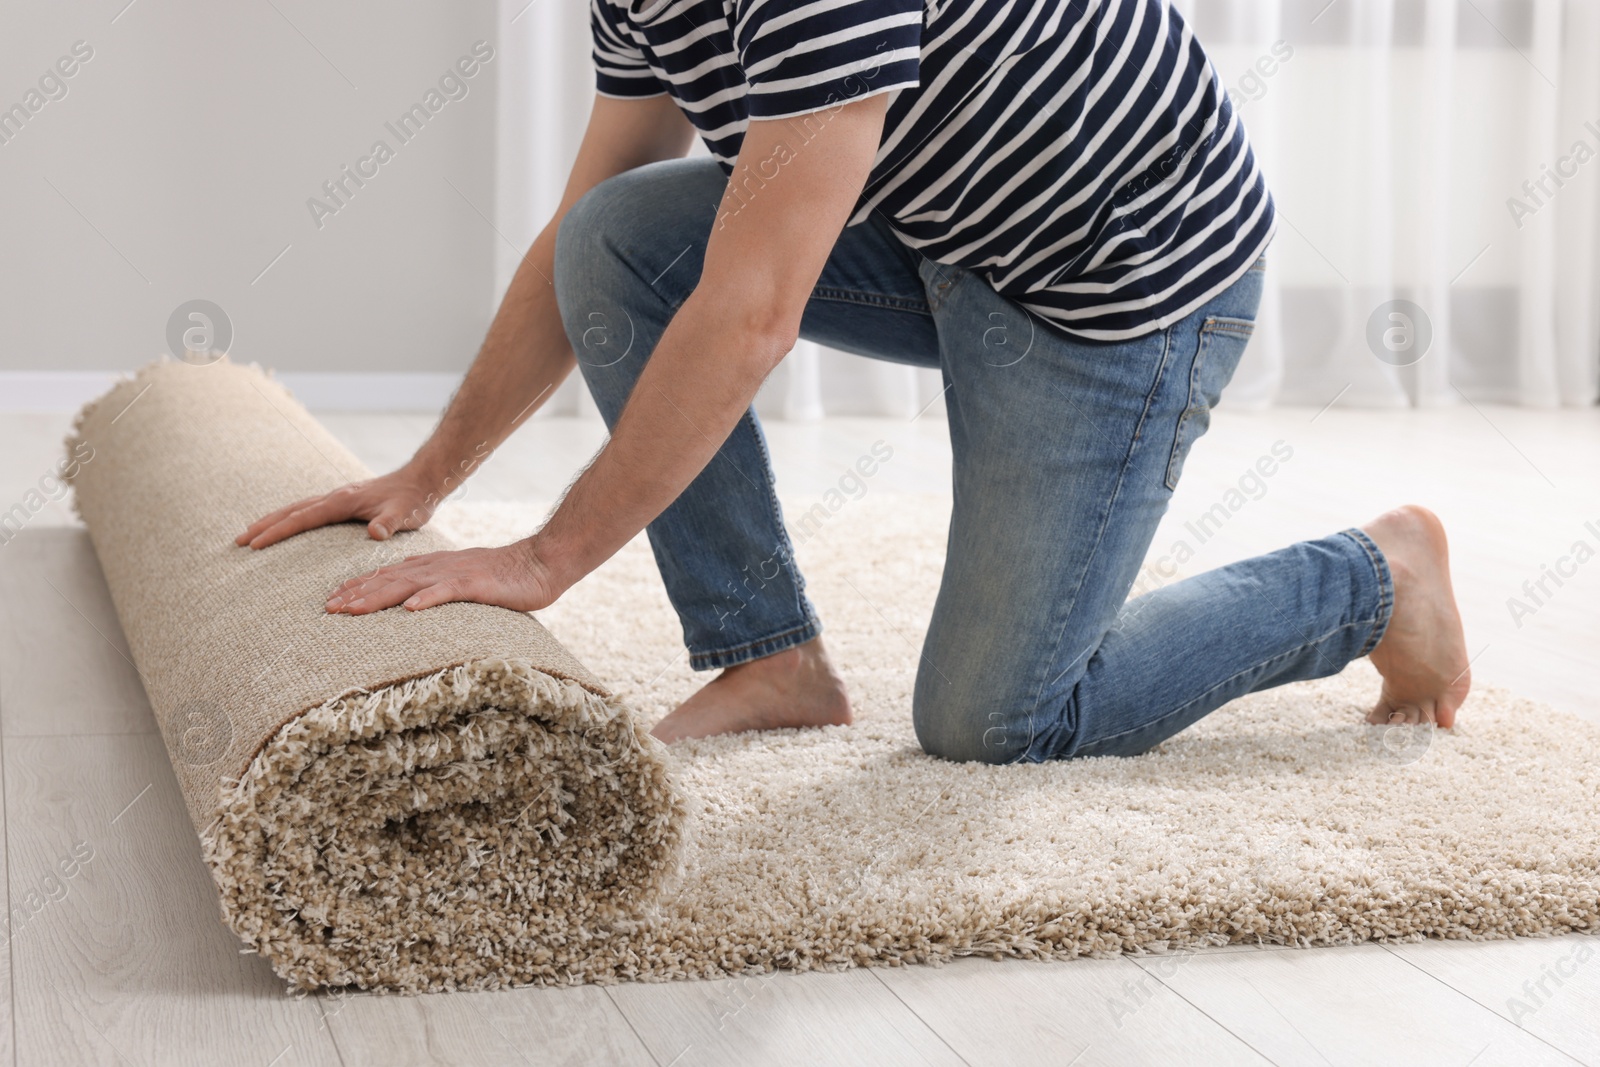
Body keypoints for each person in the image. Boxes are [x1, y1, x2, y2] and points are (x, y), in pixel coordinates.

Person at [238, 0, 1471, 760]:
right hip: (940, 232)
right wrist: (427, 476)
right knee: (612, 241)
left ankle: (1375, 577)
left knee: (999, 722)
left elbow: (750, 313)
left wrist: (542, 559)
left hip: (1116, 281)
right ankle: (771, 659)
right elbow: (583, 230)